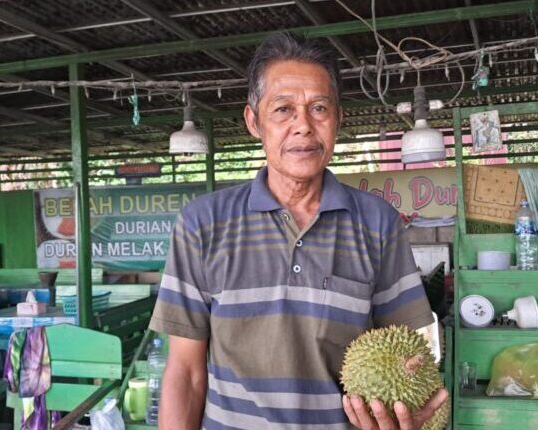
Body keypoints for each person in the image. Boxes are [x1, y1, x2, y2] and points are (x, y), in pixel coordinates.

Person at [149, 32, 448, 430]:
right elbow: (185, 373)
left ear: (338, 118)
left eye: (319, 108)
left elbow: (412, 353)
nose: (303, 126)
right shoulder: (201, 223)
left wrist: (406, 412)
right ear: (254, 121)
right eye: (283, 110)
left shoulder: (379, 224)